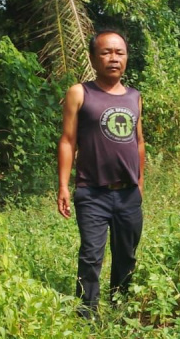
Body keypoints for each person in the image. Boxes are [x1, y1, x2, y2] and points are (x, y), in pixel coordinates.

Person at [57, 30, 145, 318]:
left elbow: (139, 141)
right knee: (91, 256)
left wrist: (140, 183)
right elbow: (68, 141)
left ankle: (121, 309)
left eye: (119, 53)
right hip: (92, 192)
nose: (114, 58)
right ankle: (87, 315)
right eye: (106, 52)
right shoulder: (80, 92)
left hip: (128, 192)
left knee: (126, 255)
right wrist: (64, 186)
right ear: (94, 58)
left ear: (126, 58)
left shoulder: (135, 97)